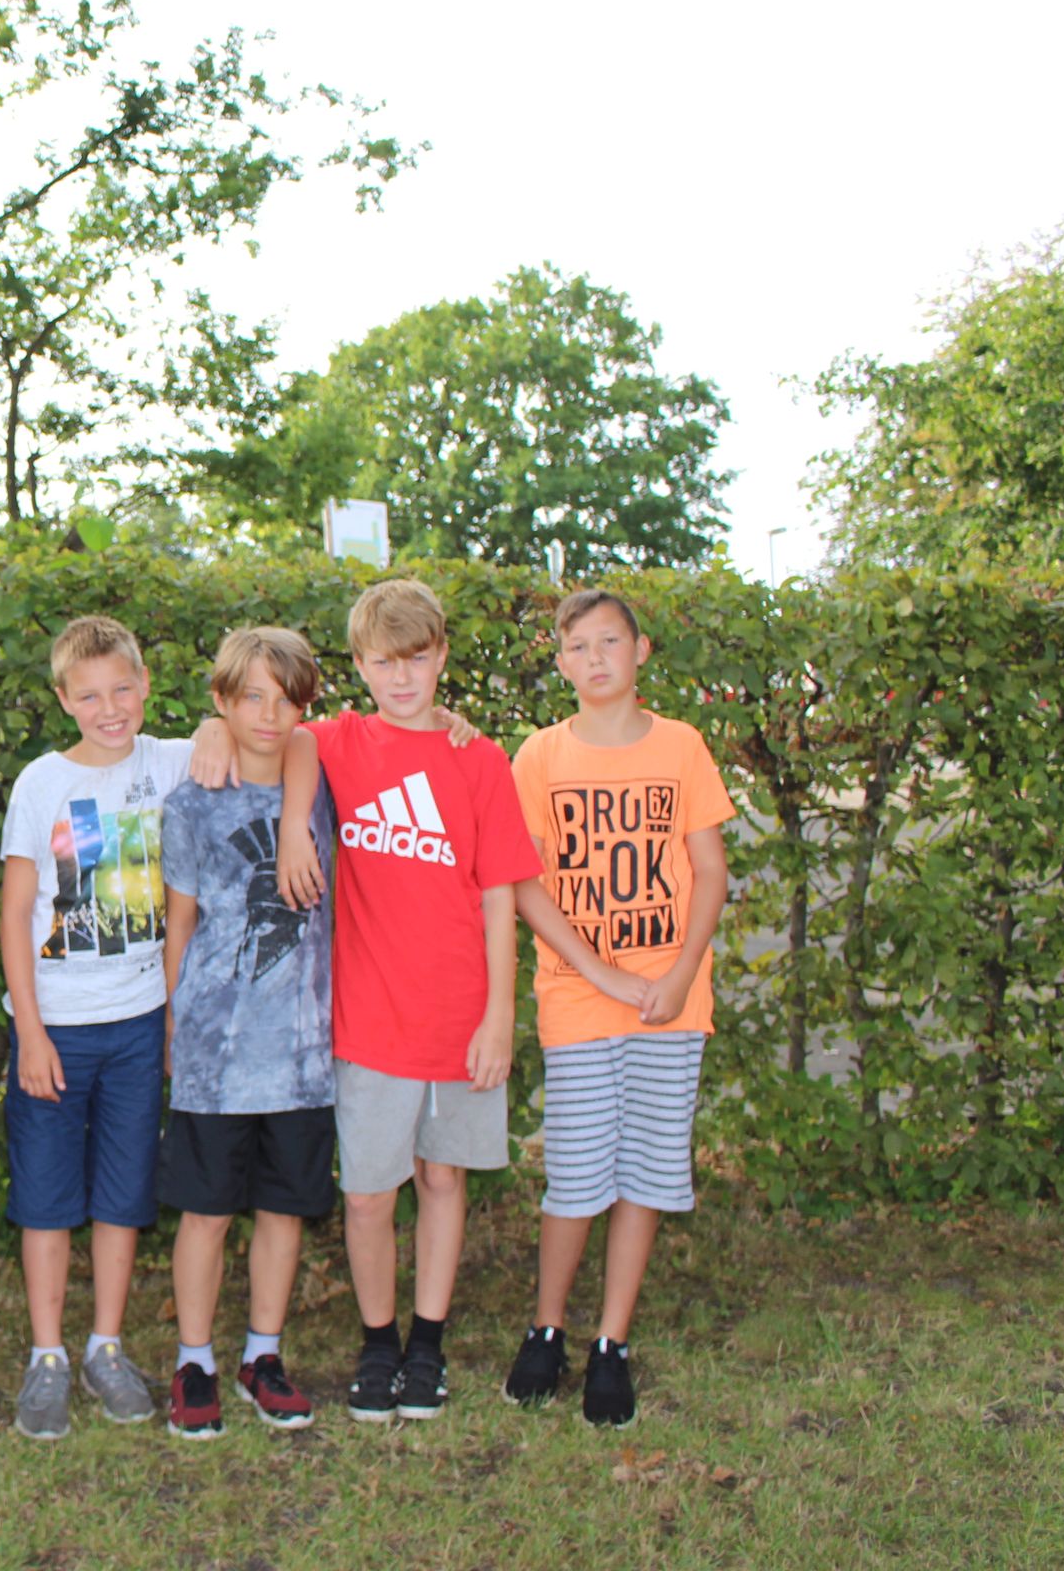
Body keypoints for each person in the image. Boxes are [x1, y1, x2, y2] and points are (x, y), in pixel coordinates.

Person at [281, 578, 540, 1425]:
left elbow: (499, 896)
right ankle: (378, 1342)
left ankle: (427, 1343)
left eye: (417, 660)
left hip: (461, 1015)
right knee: (366, 1193)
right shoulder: (341, 741)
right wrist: (291, 825)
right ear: (359, 665)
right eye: (383, 662)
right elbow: (278, 734)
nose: (401, 679)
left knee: (441, 1176)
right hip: (369, 1018)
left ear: (442, 658)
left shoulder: (480, 759)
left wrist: (500, 1016)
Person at [499, 589, 734, 1428]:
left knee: (646, 1171)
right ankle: (547, 1329)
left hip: (668, 1001)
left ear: (641, 651)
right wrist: (598, 971)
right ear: (561, 662)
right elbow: (524, 882)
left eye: (609, 641)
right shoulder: (541, 755)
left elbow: (711, 871)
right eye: (577, 646)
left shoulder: (682, 746)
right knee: (575, 1173)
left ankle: (611, 1342)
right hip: (579, 998)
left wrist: (680, 974)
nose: (594, 658)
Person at [0, 615, 184, 1439]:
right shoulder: (42, 783)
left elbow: (266, 732)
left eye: (123, 690)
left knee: (122, 1193)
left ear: (145, 686)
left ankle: (106, 1346)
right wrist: (32, 1032)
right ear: (63, 700)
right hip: (58, 1027)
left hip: (138, 1023)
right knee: (46, 1198)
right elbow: (15, 915)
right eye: (90, 696)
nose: (110, 709)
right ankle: (47, 1355)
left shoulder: (169, 762)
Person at [157, 628, 337, 1439]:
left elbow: (309, 747)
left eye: (286, 699)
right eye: (251, 697)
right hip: (216, 1054)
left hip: (300, 1055)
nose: (270, 715)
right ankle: (194, 1360)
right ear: (222, 702)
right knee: (205, 1212)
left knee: (282, 1210)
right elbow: (180, 924)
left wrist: (296, 821)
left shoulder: (321, 789)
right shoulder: (192, 803)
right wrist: (174, 1025)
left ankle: (263, 1354)